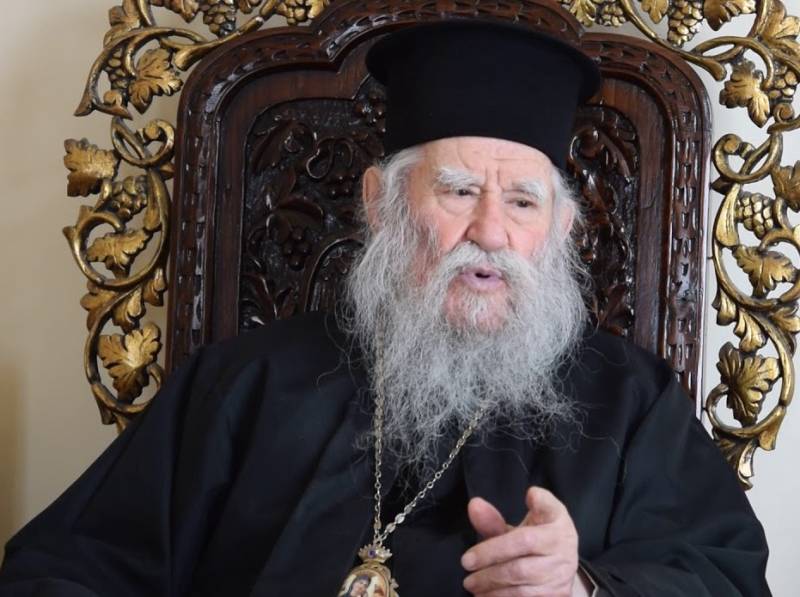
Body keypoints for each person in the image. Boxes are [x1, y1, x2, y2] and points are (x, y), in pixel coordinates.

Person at [0, 19, 769, 597]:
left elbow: (726, 578)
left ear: (561, 228)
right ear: (381, 203)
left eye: (523, 201)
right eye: (458, 190)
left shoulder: (631, 401)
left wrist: (581, 588)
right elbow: (65, 568)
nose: (490, 231)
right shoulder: (244, 382)